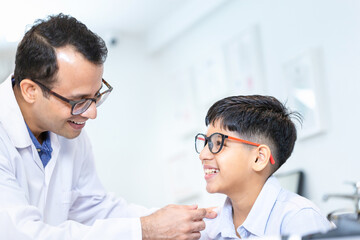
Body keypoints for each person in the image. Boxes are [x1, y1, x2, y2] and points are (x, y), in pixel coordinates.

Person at [0, 13, 216, 240]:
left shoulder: (67, 131)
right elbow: (20, 234)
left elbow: (96, 209)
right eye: (78, 101)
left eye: (96, 96)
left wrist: (186, 223)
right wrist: (146, 230)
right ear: (30, 90)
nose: (91, 113)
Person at [194, 95, 333, 239]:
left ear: (259, 158)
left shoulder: (299, 218)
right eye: (206, 143)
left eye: (218, 143)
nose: (203, 155)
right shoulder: (206, 228)